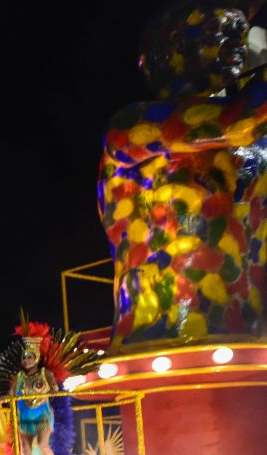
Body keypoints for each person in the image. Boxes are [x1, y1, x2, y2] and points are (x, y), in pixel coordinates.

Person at [101, 2, 266, 347]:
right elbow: (240, 121)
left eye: (242, 32)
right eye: (222, 30)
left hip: (251, 345)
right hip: (159, 345)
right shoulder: (134, 127)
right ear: (174, 44)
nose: (239, 41)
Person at [9, 335, 59, 455]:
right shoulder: (20, 377)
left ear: (36, 357)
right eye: (24, 358)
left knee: (43, 444)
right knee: (25, 449)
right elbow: (11, 394)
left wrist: (50, 393)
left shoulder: (46, 374)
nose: (26, 361)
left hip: (42, 414)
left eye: (29, 357)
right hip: (24, 416)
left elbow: (55, 390)